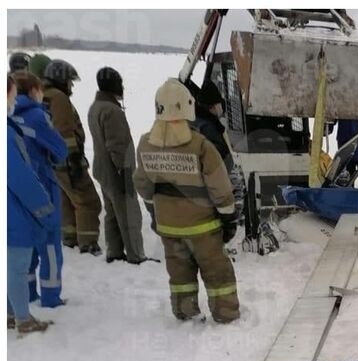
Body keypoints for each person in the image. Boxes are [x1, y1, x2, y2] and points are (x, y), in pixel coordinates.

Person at [133, 78, 241, 323]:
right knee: (217, 273)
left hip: (169, 227)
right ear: (187, 106)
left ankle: (185, 312)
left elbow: (143, 185)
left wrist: (156, 212)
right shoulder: (200, 146)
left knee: (179, 273)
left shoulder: (145, 144)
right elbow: (220, 188)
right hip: (203, 227)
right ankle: (225, 314)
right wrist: (228, 219)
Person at [12, 71, 68, 307]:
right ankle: (51, 297)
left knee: (27, 243)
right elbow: (60, 149)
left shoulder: (10, 115)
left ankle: (27, 293)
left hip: (16, 189)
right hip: (42, 184)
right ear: (34, 90)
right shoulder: (37, 116)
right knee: (50, 245)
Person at [7, 73, 55, 333]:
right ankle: (23, 319)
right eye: (13, 94)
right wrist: (44, 208)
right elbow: (22, 179)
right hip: (14, 215)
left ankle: (10, 313)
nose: (15, 99)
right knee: (16, 266)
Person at [43, 59, 103, 254]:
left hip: (53, 161)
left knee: (67, 201)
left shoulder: (45, 96)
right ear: (61, 80)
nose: (71, 87)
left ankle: (70, 237)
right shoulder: (59, 98)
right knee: (88, 201)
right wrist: (74, 160)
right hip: (66, 161)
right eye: (70, 82)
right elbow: (65, 132)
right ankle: (88, 243)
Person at [87, 67, 146, 264]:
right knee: (129, 214)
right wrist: (125, 171)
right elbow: (118, 146)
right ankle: (136, 255)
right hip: (116, 172)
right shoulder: (111, 111)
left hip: (102, 170)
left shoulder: (96, 107)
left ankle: (114, 251)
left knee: (112, 213)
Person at [189, 79, 247, 230]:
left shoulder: (194, 122)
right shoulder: (209, 127)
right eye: (218, 104)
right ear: (212, 106)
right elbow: (219, 159)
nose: (221, 107)